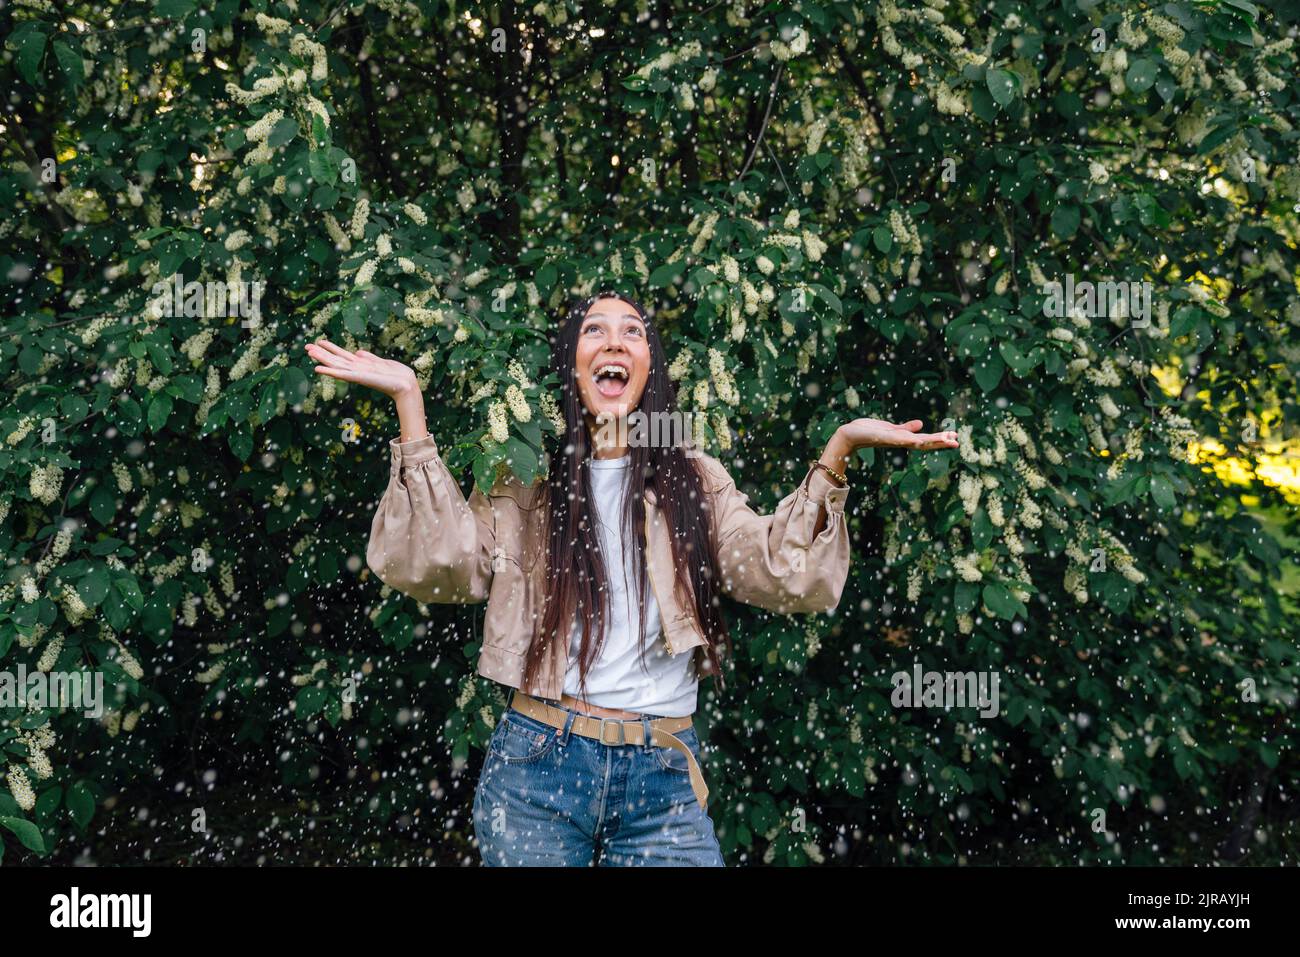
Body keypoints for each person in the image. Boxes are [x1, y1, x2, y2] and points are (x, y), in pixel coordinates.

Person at [305, 290, 959, 866]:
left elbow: (778, 571)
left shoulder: (693, 481)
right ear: (571, 363)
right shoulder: (521, 477)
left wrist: (838, 450)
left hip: (662, 769)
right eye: (594, 328)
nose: (614, 339)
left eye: (633, 330)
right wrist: (409, 405)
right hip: (537, 762)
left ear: (650, 368)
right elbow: (443, 568)